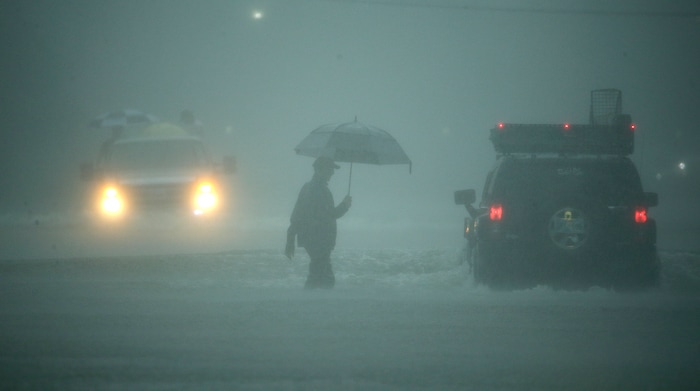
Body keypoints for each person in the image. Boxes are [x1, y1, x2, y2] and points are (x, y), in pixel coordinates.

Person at [286, 156, 352, 289]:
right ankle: (312, 304)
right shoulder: (320, 190)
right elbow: (331, 214)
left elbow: (296, 214)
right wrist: (345, 205)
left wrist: (290, 238)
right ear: (319, 170)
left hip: (311, 239)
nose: (332, 173)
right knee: (325, 278)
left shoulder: (308, 187)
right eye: (330, 169)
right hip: (319, 240)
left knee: (318, 274)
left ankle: (310, 303)